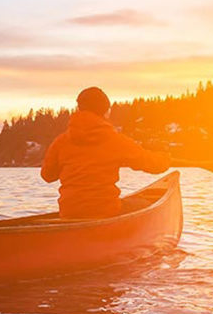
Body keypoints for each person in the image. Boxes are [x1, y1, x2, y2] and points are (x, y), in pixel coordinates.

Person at [40, 86, 170, 219]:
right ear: (105, 112)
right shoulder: (115, 140)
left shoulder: (61, 142)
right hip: (106, 210)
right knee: (146, 204)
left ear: (79, 108)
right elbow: (153, 164)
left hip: (70, 212)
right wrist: (165, 159)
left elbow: (47, 175)